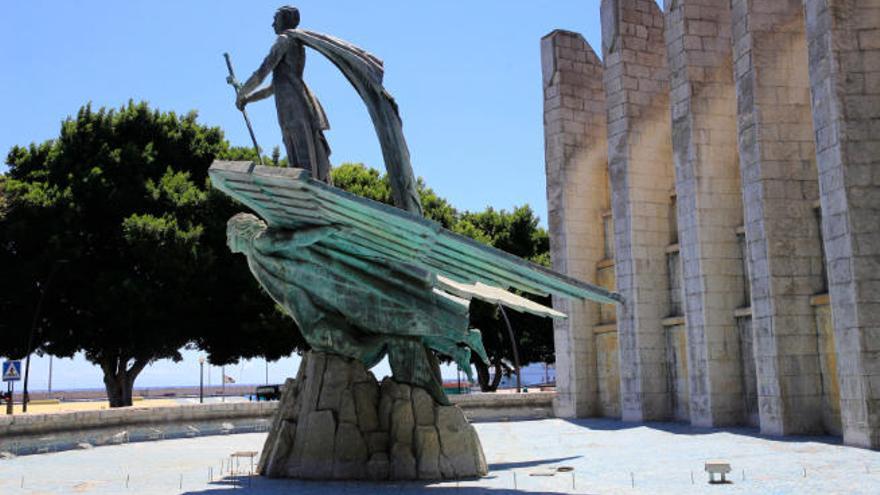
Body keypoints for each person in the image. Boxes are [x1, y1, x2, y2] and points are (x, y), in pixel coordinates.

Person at [236, 6, 332, 183]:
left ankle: (308, 192)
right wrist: (247, 99)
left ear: (285, 20)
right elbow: (272, 88)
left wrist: (241, 92)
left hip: (293, 106)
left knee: (301, 156)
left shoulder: (284, 40)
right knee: (296, 153)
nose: (272, 23)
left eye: (276, 19)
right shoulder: (297, 43)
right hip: (294, 103)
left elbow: (262, 72)